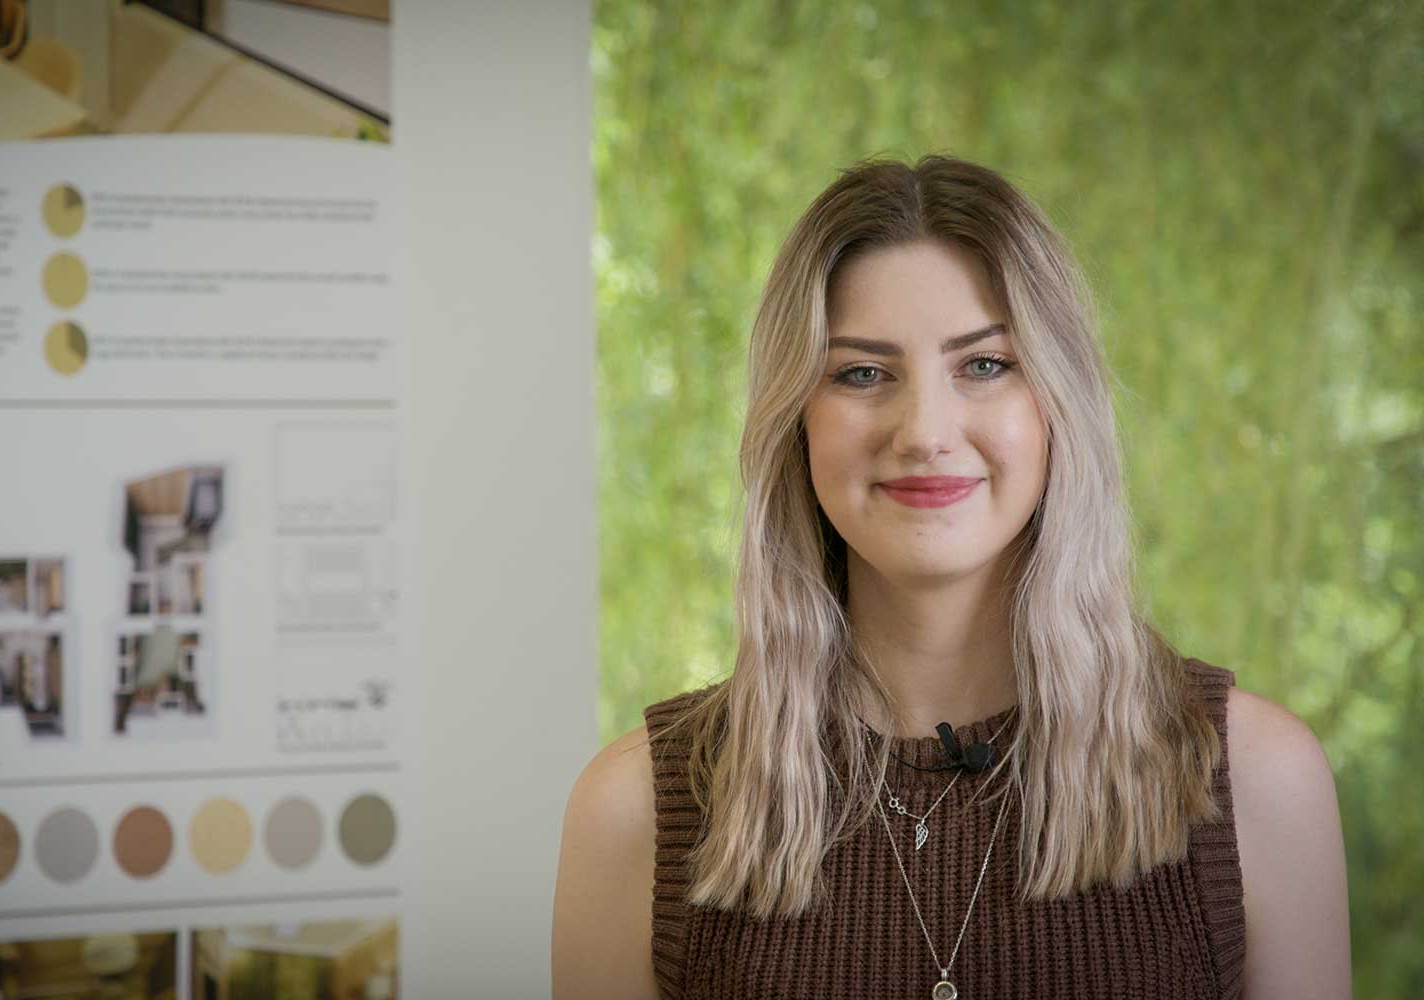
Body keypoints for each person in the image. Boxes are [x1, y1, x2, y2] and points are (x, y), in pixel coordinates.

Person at [551, 155, 1351, 999]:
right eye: (862, 373)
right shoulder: (632, 811)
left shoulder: (1258, 782)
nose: (926, 431)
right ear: (797, 423)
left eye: (984, 365)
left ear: (1059, 405)